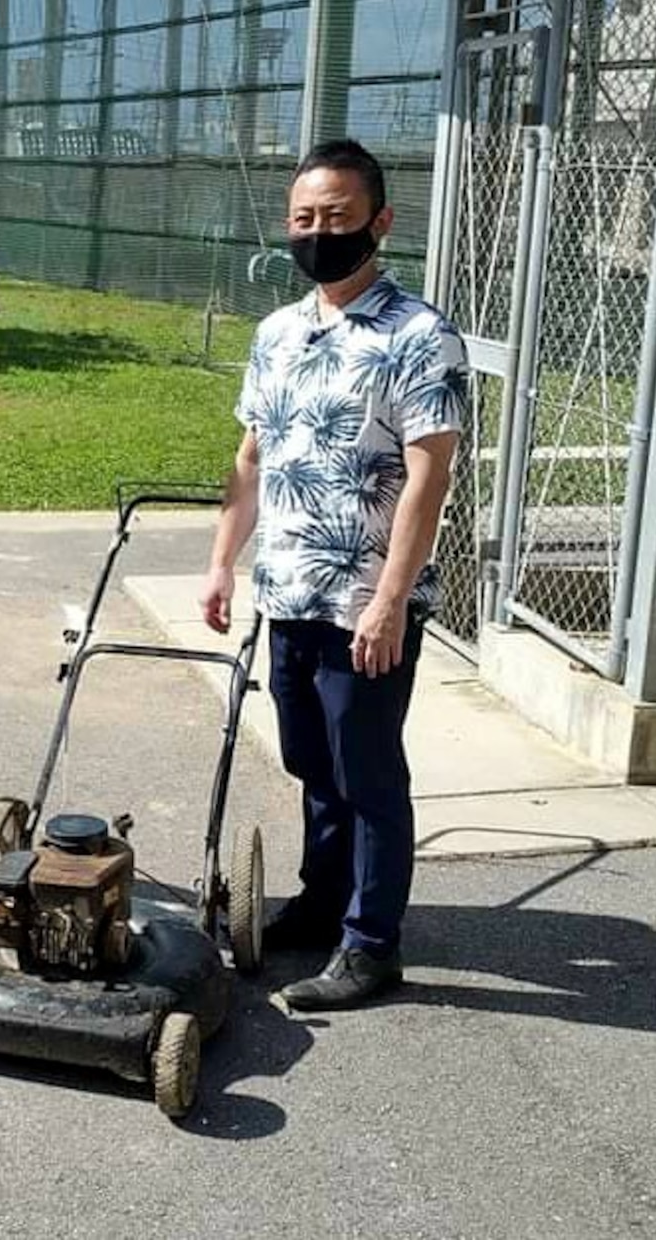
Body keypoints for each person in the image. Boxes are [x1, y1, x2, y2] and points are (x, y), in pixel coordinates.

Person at [199, 139, 466, 1010]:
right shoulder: (278, 333)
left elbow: (430, 476)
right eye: (305, 219)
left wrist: (391, 601)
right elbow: (250, 458)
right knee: (313, 760)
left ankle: (371, 943)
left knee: (369, 772)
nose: (319, 234)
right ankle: (323, 901)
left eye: (338, 218)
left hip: (365, 607)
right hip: (290, 592)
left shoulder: (421, 338)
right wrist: (220, 564)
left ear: (379, 223)